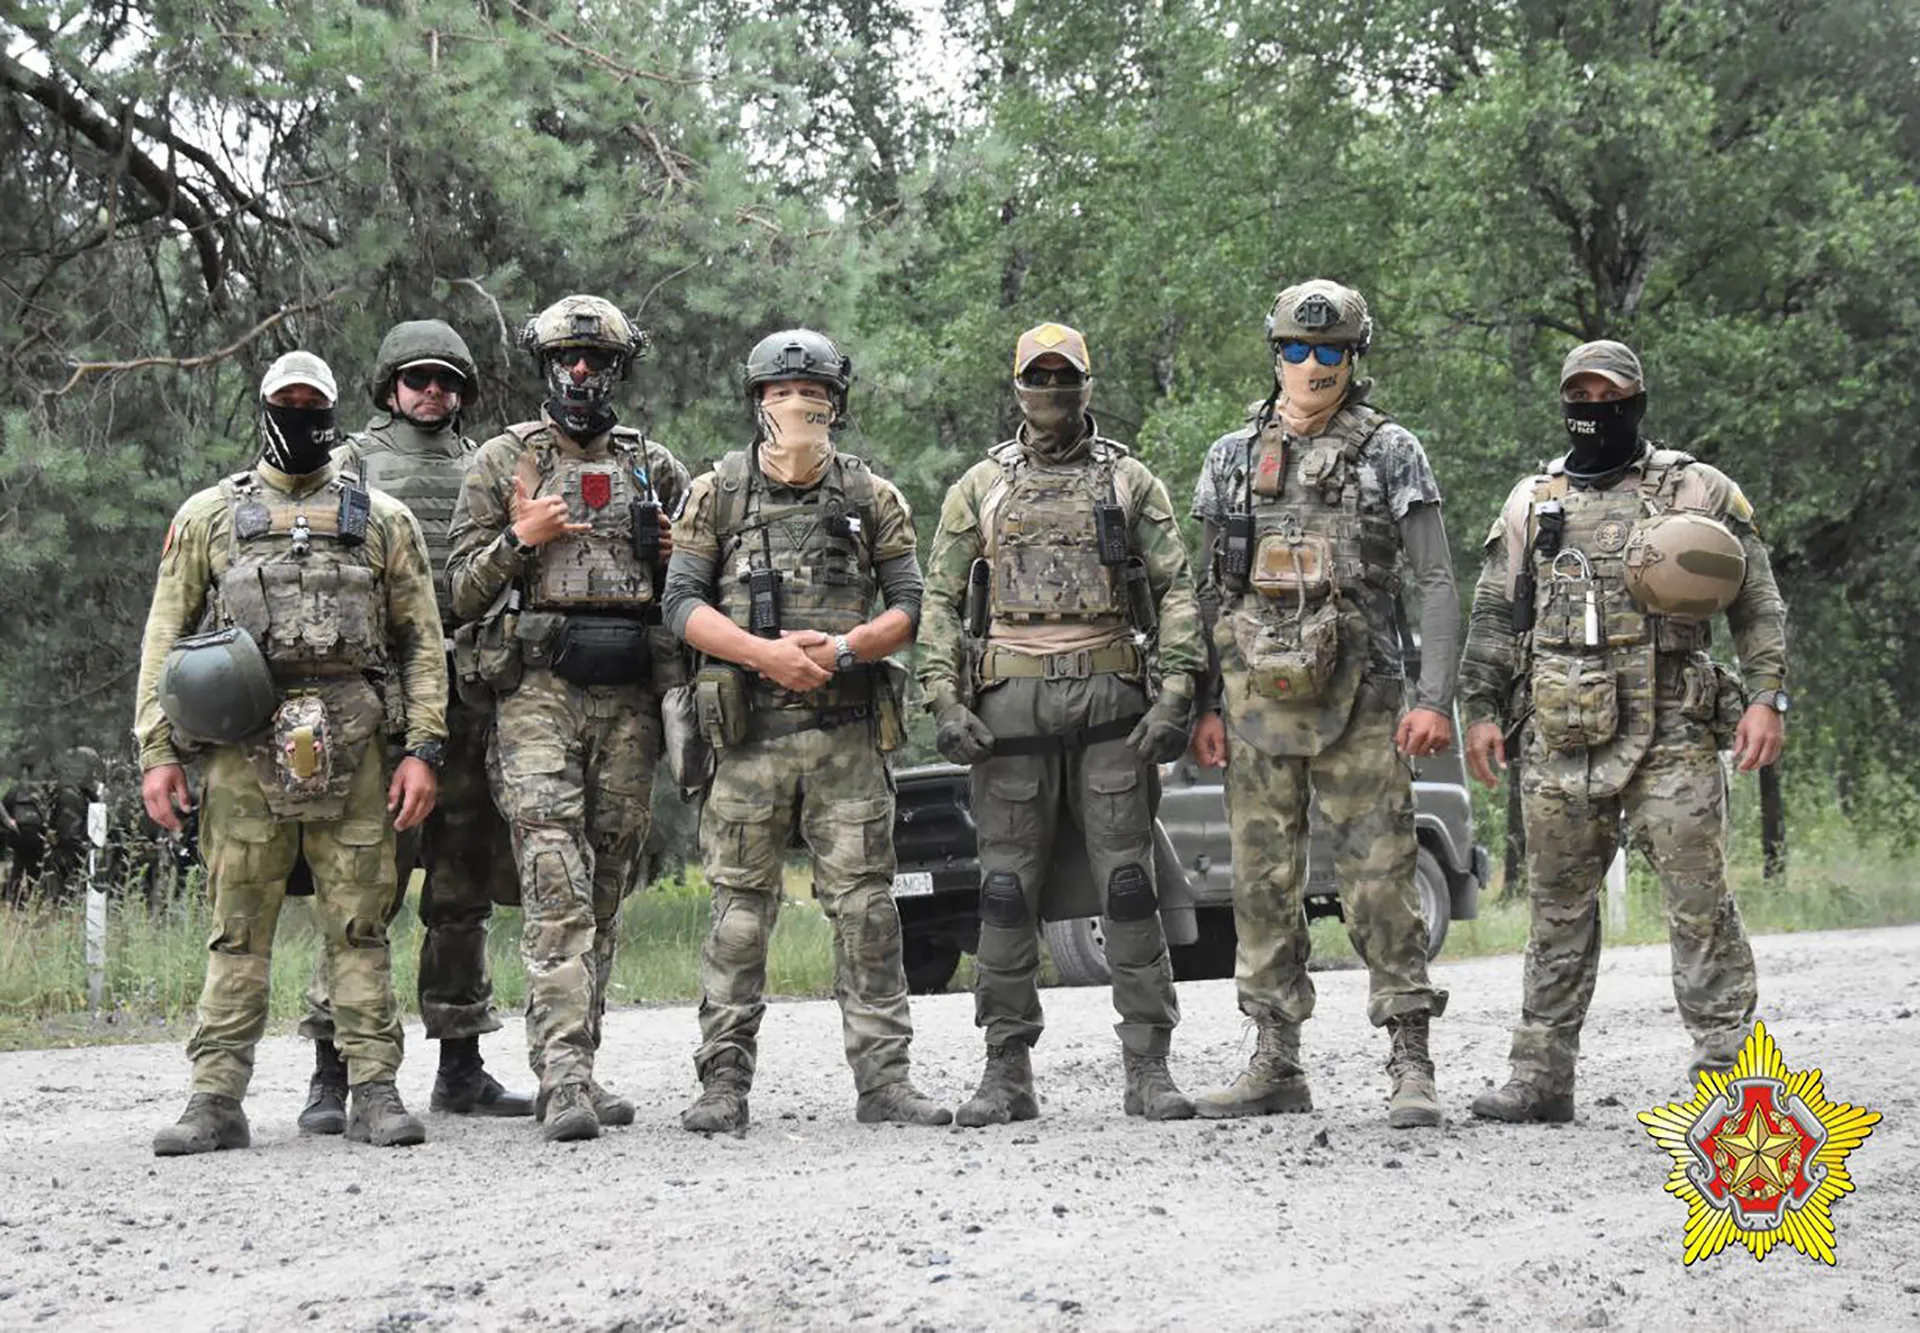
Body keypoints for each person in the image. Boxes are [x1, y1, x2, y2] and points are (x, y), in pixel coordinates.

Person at [1459, 339, 1788, 1123]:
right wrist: (1479, 709)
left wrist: (1766, 696)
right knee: (1556, 911)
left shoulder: (1696, 488)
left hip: (1672, 729)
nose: (1593, 409)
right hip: (1559, 732)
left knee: (1699, 905)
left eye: (1608, 396)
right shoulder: (1532, 502)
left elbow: (1758, 601)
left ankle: (1729, 1080)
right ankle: (1540, 1078)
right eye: (1580, 395)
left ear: (1636, 402)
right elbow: (1494, 614)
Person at [134, 350, 447, 1155]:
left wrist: (423, 748)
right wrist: (157, 750)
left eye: (314, 405)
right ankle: (215, 1098)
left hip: (355, 744)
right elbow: (165, 636)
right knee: (237, 927)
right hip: (242, 745)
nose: (300, 416)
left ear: (333, 412)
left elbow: (421, 642)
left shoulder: (383, 519)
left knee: (361, 925)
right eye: (288, 403)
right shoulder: (210, 515)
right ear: (266, 407)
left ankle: (373, 1090)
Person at [664, 327, 948, 1135]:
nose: (797, 405)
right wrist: (763, 655)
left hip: (846, 736)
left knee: (868, 913)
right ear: (757, 402)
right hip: (748, 737)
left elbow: (912, 604)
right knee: (738, 916)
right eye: (781, 393)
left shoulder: (870, 495)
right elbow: (680, 603)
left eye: (813, 393)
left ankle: (885, 1082)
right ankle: (723, 1083)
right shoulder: (715, 492)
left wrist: (846, 648)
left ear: (837, 403)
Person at [1187, 280, 1458, 1128]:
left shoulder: (1390, 451)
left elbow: (1437, 579)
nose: (1313, 365)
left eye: (1331, 351)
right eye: (1298, 350)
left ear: (1354, 357)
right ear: (1276, 355)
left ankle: (1410, 1057)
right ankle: (1276, 1057)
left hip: (1364, 701)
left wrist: (1434, 696)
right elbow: (1205, 591)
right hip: (1255, 702)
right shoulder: (1232, 457)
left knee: (1380, 880)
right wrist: (1202, 702)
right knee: (1261, 881)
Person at [919, 321, 1202, 1125]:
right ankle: (1006, 1068)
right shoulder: (981, 486)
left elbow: (1177, 588)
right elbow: (939, 598)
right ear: (1017, 386)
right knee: (1005, 891)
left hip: (1113, 706)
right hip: (1010, 709)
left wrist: (1177, 693)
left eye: (1064, 375)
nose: (1051, 390)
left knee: (1129, 886)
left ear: (1087, 383)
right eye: (1037, 376)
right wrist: (943, 698)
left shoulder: (1130, 481)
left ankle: (1149, 1066)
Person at [448, 295, 688, 1142]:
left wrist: (673, 556)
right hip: (539, 695)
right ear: (545, 365)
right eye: (566, 359)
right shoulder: (502, 460)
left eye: (596, 360)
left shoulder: (655, 466)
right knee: (556, 882)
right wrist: (520, 538)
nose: (580, 371)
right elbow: (457, 590)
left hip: (627, 699)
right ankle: (563, 1076)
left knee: (607, 886)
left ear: (617, 369)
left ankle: (579, 1057)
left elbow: (696, 590)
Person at [297, 319, 530, 1134]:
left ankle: (461, 1065)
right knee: (362, 888)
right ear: (390, 386)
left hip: (469, 700)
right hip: (377, 704)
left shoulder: (487, 467)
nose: (433, 392)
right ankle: (333, 1070)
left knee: (462, 889)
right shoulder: (349, 463)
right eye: (418, 379)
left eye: (447, 381)